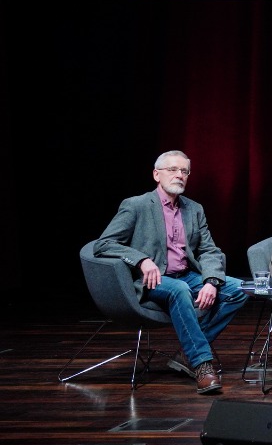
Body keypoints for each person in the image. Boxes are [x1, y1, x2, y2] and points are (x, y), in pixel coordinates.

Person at [91, 150, 247, 394]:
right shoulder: (136, 205)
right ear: (157, 175)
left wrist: (211, 281)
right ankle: (202, 366)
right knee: (179, 290)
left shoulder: (194, 209)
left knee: (239, 289)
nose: (179, 175)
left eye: (184, 171)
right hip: (153, 280)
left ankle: (187, 353)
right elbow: (104, 244)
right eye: (172, 170)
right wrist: (141, 260)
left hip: (187, 275)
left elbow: (209, 250)